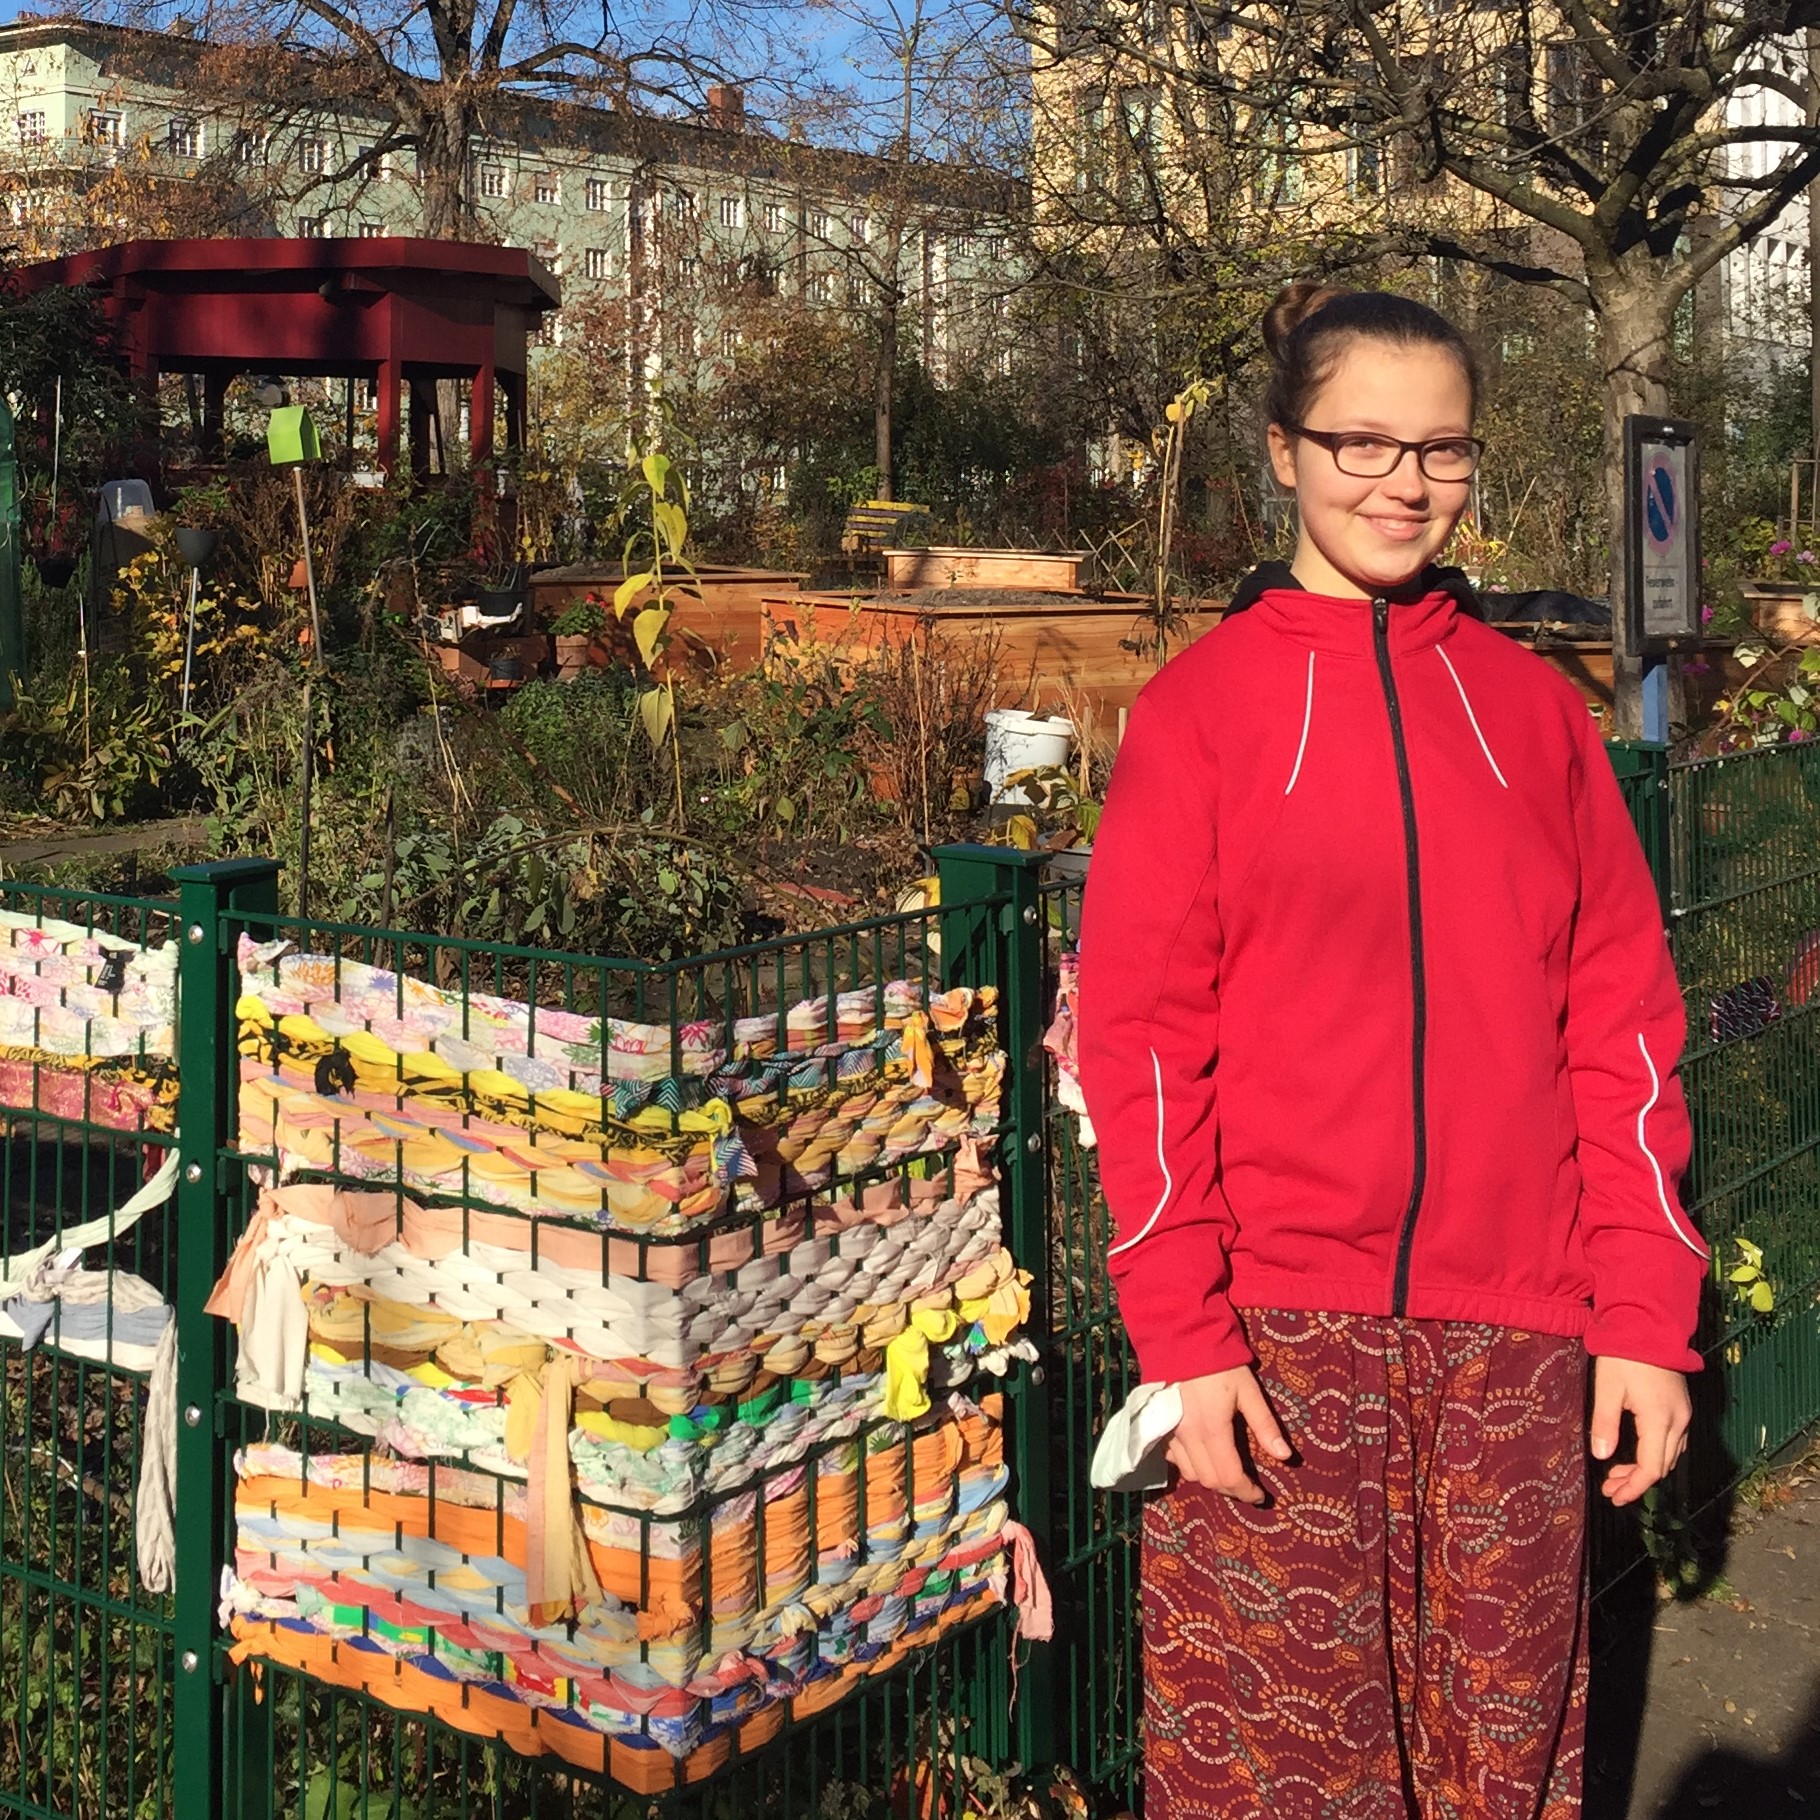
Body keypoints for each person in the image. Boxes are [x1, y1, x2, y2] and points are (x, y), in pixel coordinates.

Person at [1075, 281, 1708, 1819]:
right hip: (1276, 1342)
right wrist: (1185, 1336)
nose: (1402, 482)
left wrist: (1645, 1316)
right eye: (1361, 441)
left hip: (1515, 1339)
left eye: (1440, 449)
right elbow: (1142, 1044)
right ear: (1284, 451)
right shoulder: (1200, 714)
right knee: (1282, 1773)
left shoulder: (1534, 718)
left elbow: (1622, 1030)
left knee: (1503, 1765)